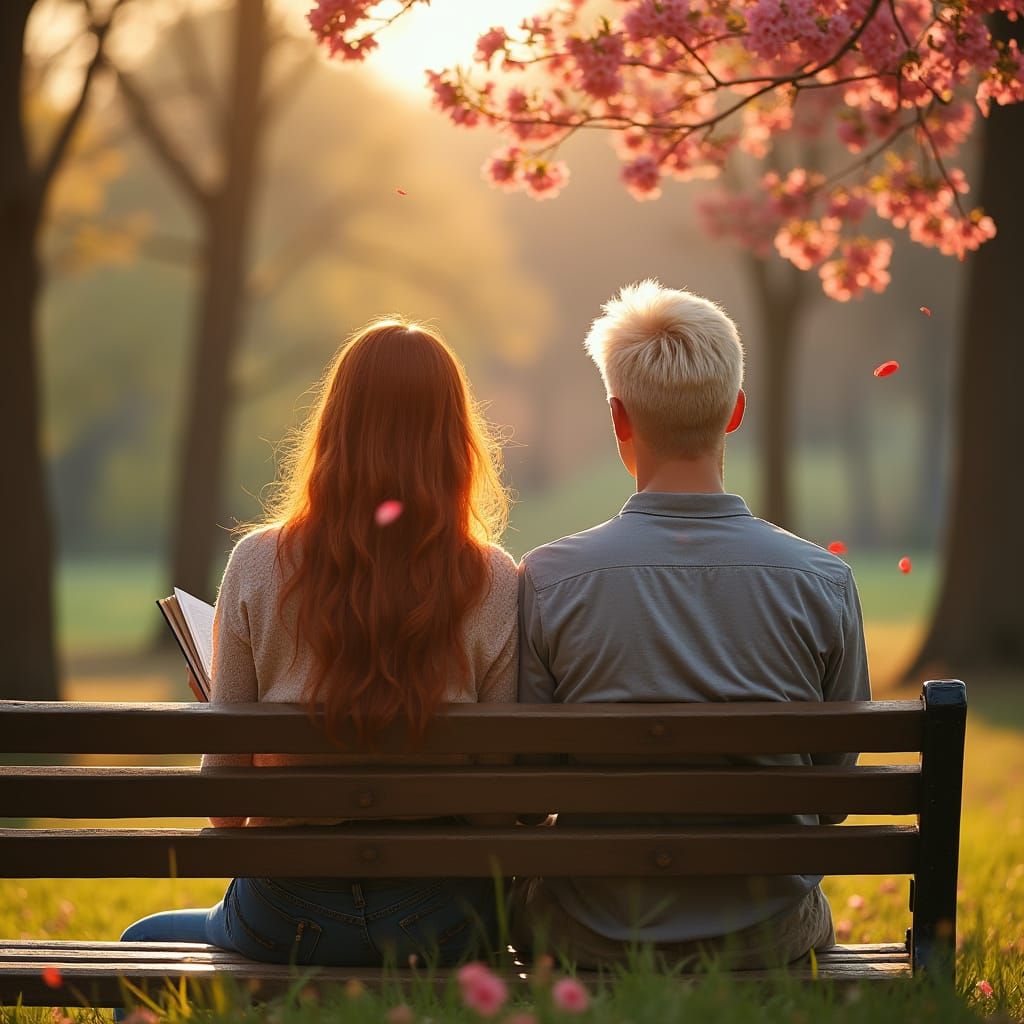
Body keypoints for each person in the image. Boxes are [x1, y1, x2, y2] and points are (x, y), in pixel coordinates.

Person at [121, 319, 518, 969]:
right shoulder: (496, 579)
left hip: (285, 915)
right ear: (454, 438)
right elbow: (499, 819)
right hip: (443, 920)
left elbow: (224, 815)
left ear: (335, 427)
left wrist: (223, 710)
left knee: (143, 941)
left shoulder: (256, 564)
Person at [512, 279, 870, 969]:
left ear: (619, 417)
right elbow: (832, 801)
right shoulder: (822, 582)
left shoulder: (551, 579)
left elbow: (531, 786)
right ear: (735, 411)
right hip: (767, 932)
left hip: (595, 929)